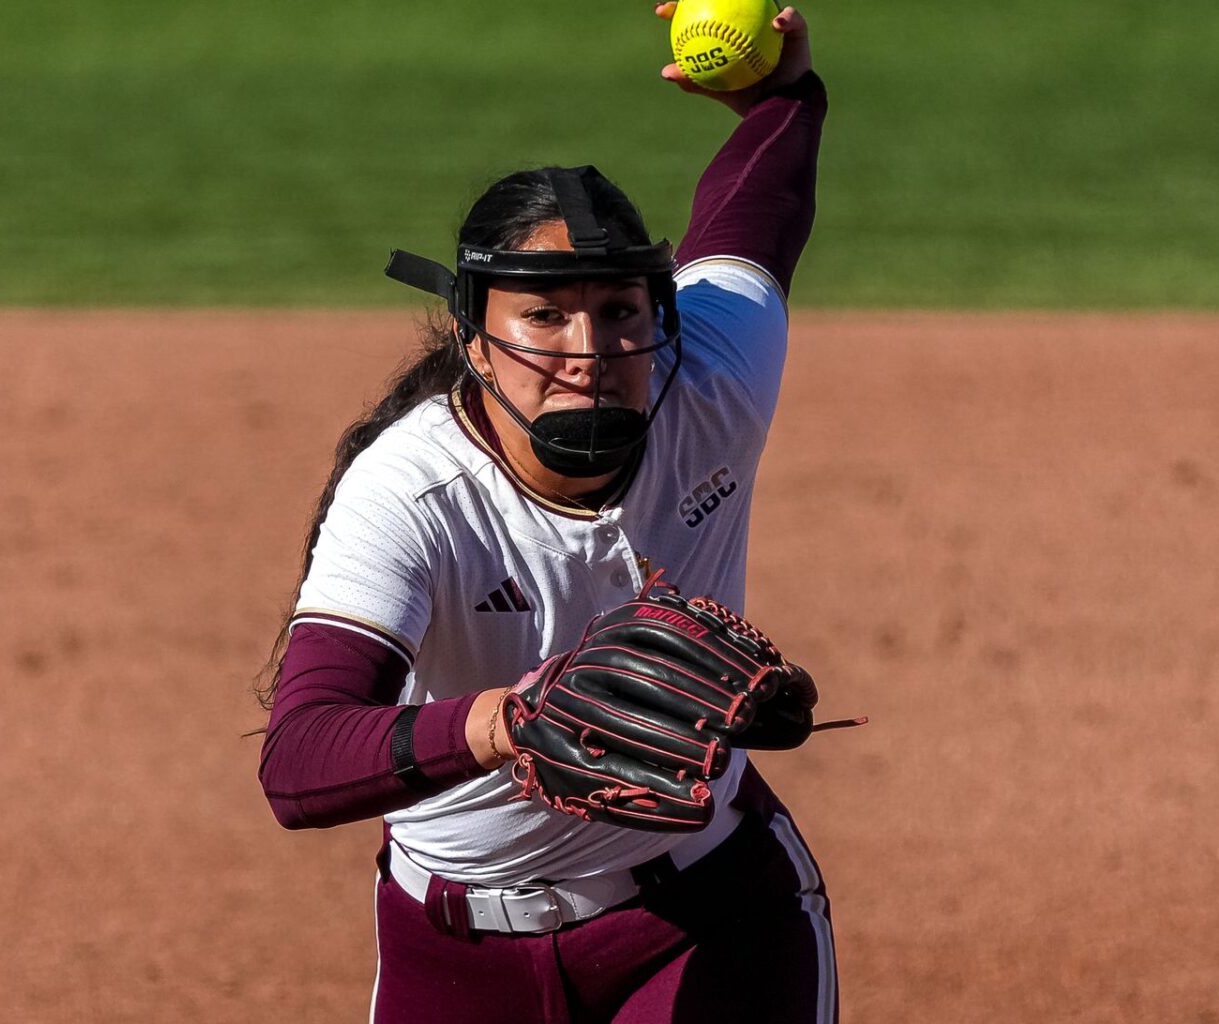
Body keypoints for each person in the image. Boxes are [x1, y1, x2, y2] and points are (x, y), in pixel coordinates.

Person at [258, 6, 836, 1021]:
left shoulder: (706, 380)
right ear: (473, 342)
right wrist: (501, 722)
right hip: (458, 959)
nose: (589, 349)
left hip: (709, 917)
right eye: (543, 314)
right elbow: (299, 758)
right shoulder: (414, 492)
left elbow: (758, 219)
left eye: (619, 309)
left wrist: (781, 97)